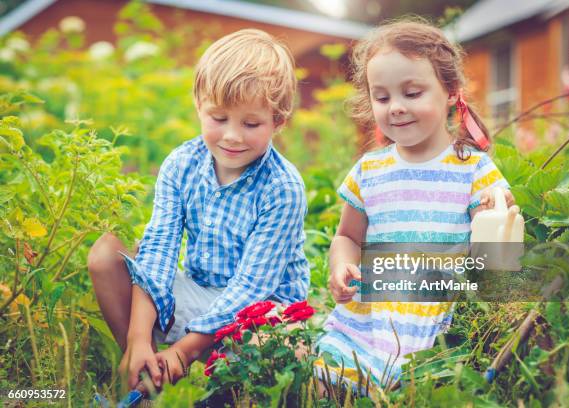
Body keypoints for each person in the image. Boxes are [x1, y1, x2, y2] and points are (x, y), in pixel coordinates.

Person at [87, 29, 309, 391]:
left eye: (250, 124)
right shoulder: (182, 164)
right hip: (197, 291)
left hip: (258, 314)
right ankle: (145, 369)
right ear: (199, 106)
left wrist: (186, 349)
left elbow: (252, 287)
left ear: (278, 122)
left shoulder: (283, 188)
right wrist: (139, 336)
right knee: (106, 255)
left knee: (285, 346)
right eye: (218, 118)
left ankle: (209, 382)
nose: (232, 136)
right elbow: (159, 251)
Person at [315, 19, 515, 391]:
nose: (396, 108)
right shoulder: (370, 169)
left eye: (412, 92)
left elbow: (496, 267)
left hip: (433, 328)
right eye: (383, 97)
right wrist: (342, 266)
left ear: (452, 92)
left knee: (417, 391)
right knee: (328, 382)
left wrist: (493, 221)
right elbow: (347, 236)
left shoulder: (472, 170)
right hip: (369, 321)